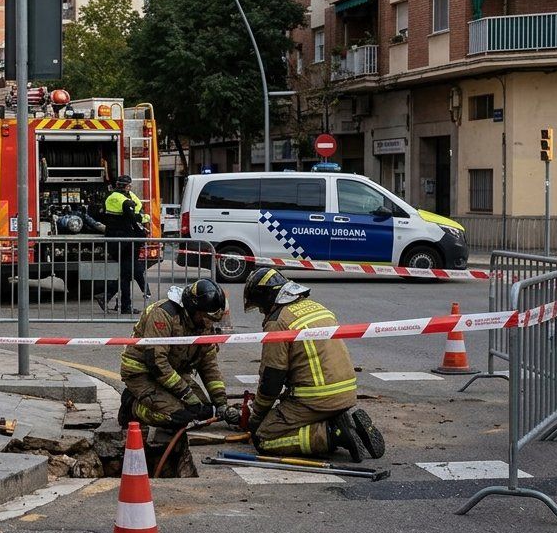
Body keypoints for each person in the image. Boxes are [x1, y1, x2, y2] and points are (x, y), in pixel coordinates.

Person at [241, 267, 385, 462]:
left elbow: (271, 380)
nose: (261, 311)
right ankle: (342, 421)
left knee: (265, 437)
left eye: (260, 306)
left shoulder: (277, 322)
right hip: (347, 393)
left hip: (316, 399)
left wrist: (257, 417)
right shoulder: (316, 307)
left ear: (267, 298)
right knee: (286, 416)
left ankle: (333, 435)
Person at [117, 279, 231, 476]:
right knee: (176, 416)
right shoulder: (163, 315)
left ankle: (171, 404)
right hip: (143, 374)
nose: (210, 324)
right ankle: (132, 406)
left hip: (172, 374)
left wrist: (221, 403)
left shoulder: (203, 323)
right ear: (194, 309)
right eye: (207, 317)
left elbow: (208, 364)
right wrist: (187, 394)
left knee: (203, 413)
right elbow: (156, 364)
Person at [95, 174, 150, 314]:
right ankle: (117, 300)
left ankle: (119, 302)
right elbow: (133, 220)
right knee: (129, 271)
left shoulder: (110, 197)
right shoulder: (126, 201)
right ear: (127, 186)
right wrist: (143, 230)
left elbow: (103, 215)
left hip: (114, 240)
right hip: (125, 240)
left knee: (126, 272)